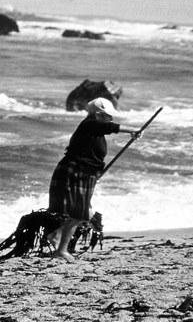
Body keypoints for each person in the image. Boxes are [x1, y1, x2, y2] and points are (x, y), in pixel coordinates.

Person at [47, 97, 141, 261]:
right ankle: (61, 250)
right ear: (97, 114)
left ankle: (56, 235)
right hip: (76, 172)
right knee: (78, 214)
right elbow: (109, 128)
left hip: (85, 174)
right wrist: (131, 131)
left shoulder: (94, 131)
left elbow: (94, 152)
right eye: (107, 116)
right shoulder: (88, 125)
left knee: (82, 212)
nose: (110, 119)